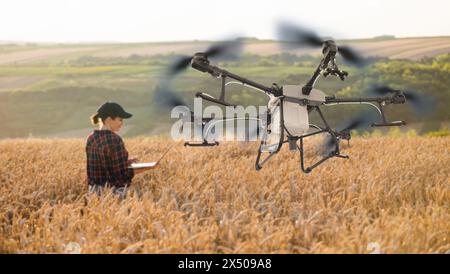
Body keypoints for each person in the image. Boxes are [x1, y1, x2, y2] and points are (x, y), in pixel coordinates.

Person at [86, 102, 152, 198]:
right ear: (108, 119)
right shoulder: (114, 140)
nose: (122, 123)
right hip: (114, 194)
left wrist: (126, 162)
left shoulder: (91, 138)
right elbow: (121, 175)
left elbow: (102, 164)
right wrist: (145, 168)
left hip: (94, 194)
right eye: (120, 120)